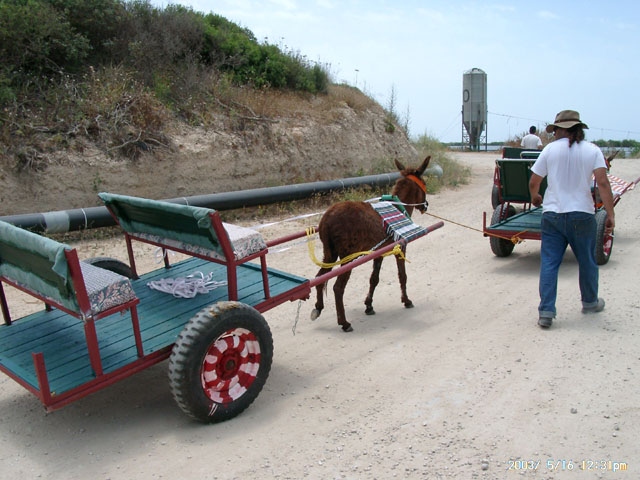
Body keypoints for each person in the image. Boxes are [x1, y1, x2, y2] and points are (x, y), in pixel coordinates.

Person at [528, 110, 615, 329]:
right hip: (582, 214)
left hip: (553, 215)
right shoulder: (592, 150)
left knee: (549, 263)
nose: (554, 133)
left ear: (561, 129)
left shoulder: (549, 150)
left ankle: (546, 312)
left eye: (555, 130)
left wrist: (535, 197)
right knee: (586, 260)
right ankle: (590, 302)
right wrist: (610, 214)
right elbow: (603, 184)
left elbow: (534, 181)